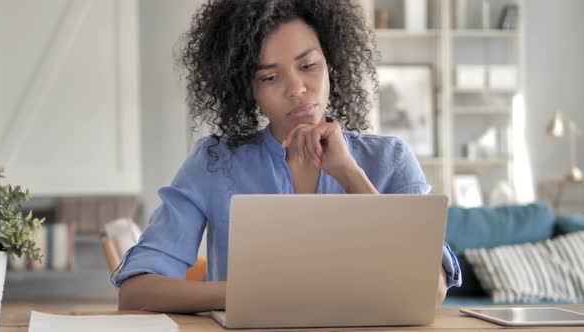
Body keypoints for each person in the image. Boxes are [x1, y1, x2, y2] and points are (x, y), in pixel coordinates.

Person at [113, 0, 462, 313]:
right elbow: (136, 290)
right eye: (270, 76)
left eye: (308, 65)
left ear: (331, 64)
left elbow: (429, 290)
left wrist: (350, 175)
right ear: (247, 88)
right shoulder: (214, 163)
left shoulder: (391, 159)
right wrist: (249, 294)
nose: (296, 88)